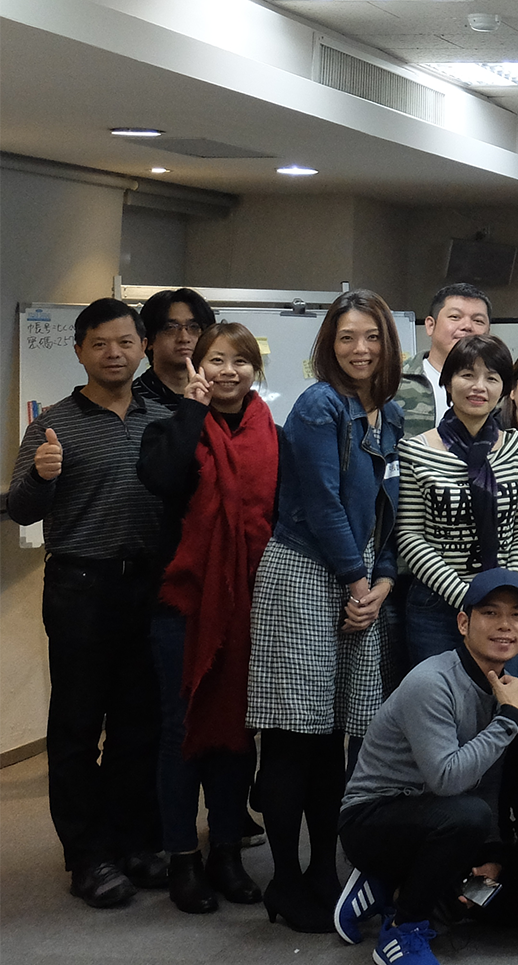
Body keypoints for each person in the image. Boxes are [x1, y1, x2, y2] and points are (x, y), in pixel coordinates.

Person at [246, 290, 403, 932]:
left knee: (336, 738)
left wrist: (382, 580)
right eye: (346, 338)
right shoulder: (319, 406)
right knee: (294, 736)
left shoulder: (389, 412)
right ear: (328, 346)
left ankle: (322, 872)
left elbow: (388, 508)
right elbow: (321, 503)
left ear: (388, 343)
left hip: (358, 574)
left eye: (372, 336)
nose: (360, 349)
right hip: (305, 573)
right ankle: (285, 879)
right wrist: (358, 583)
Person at [8, 298, 170, 907]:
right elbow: (21, 510)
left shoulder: (164, 418)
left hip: (149, 586)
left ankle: (133, 841)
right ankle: (87, 855)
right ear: (79, 351)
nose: (113, 354)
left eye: (125, 342)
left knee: (139, 722)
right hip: (81, 587)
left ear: (143, 347)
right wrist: (41, 476)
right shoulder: (53, 424)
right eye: (99, 343)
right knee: (77, 725)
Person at [137, 322, 285, 913]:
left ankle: (226, 851)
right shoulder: (172, 426)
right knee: (182, 729)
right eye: (216, 360)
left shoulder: (273, 435)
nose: (228, 371)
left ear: (254, 370)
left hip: (252, 603)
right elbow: (161, 479)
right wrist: (192, 412)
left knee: (236, 730)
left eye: (240, 361)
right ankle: (183, 857)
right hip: (184, 604)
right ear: (197, 366)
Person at [334, 568, 518, 965]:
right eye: (490, 613)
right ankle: (401, 931)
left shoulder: (503, 686)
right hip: (372, 819)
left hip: (430, 816)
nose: (505, 625)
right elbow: (447, 778)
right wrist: (508, 719)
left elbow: (487, 780)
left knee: (501, 900)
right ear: (463, 622)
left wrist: (490, 855)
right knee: (466, 817)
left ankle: (384, 886)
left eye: (517, 615)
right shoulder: (433, 681)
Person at [397, 334, 518, 673]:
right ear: (448, 383)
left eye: (491, 377)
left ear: (504, 389)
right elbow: (410, 535)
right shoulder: (415, 451)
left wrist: (503, 591)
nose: (479, 386)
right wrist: (466, 597)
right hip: (436, 605)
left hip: (504, 606)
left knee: (499, 697)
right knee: (437, 699)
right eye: (467, 375)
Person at [397, 283, 491, 437]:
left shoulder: (498, 387)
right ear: (430, 325)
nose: (467, 326)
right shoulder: (394, 381)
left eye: (478, 321)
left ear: (488, 333)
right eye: (455, 317)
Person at [135, 287, 216, 408]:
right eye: (171, 327)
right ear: (149, 339)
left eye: (194, 327)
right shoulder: (133, 399)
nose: (184, 338)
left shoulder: (216, 395)